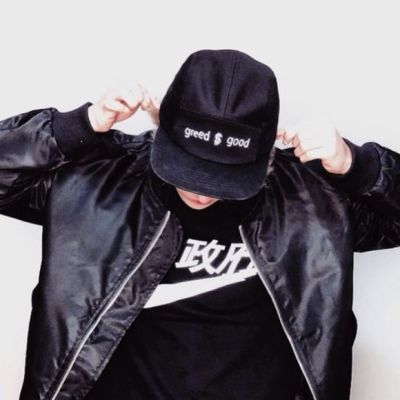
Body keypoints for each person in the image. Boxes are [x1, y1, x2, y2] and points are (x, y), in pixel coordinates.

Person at [0, 49, 399, 400]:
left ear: (264, 154)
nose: (201, 192)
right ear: (163, 131)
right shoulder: (102, 181)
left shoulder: (311, 202)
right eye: (188, 168)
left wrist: (357, 165)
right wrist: (80, 124)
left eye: (222, 177)